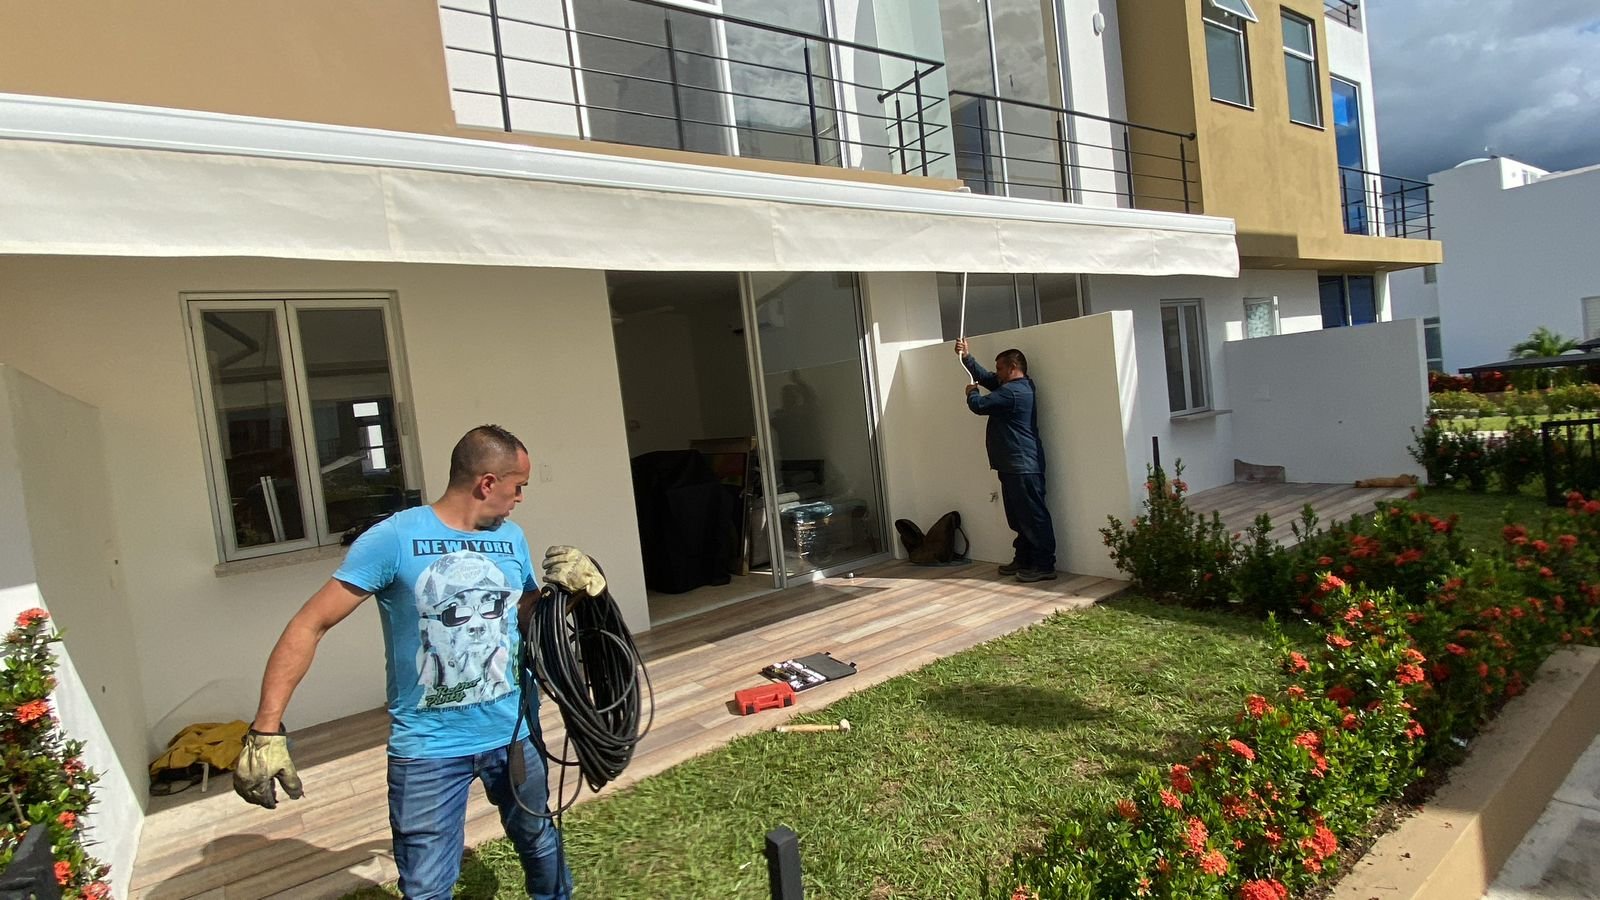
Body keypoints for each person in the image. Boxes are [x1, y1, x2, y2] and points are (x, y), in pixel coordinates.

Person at [233, 424, 606, 900]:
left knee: (537, 837)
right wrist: (266, 729)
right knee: (427, 886)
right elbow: (309, 625)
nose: (520, 498)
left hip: (514, 731)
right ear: (487, 483)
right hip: (429, 749)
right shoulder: (394, 539)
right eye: (518, 487)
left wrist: (568, 594)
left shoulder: (511, 537)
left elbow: (524, 616)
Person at [955, 340, 1057, 582]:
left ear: (1012, 368)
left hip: (1023, 466)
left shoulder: (1014, 392)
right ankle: (1024, 559)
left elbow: (980, 405)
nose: (997, 373)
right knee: (1019, 517)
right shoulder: (1015, 387)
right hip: (1013, 465)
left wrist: (971, 393)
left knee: (1033, 517)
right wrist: (967, 358)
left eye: (1000, 369)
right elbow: (988, 379)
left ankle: (1044, 566)